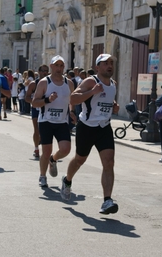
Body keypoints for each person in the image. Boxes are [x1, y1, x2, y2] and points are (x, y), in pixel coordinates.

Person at [60, 53, 120, 215]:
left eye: (111, 63)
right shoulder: (91, 81)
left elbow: (105, 101)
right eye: (105, 63)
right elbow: (73, 99)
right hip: (87, 127)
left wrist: (114, 106)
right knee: (80, 159)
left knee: (109, 163)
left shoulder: (113, 84)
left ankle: (107, 200)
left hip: (104, 128)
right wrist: (92, 92)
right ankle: (67, 180)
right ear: (97, 67)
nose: (109, 66)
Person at [32, 55, 76, 188]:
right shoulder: (44, 83)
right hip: (46, 121)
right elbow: (34, 103)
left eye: (61, 65)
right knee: (46, 151)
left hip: (62, 121)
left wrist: (72, 112)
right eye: (56, 65)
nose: (59, 68)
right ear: (51, 66)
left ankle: (53, 159)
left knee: (66, 149)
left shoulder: (69, 83)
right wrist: (47, 100)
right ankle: (42, 176)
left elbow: (71, 100)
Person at [25, 64, 49, 158]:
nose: (44, 72)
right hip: (36, 109)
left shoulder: (51, 83)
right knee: (37, 130)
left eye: (46, 71)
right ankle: (36, 148)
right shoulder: (33, 84)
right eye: (43, 70)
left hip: (47, 110)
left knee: (46, 131)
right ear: (39, 72)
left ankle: (46, 148)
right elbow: (26, 97)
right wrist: (35, 102)